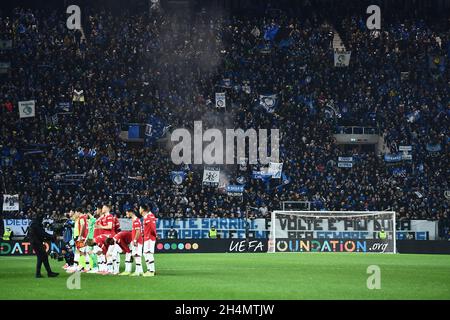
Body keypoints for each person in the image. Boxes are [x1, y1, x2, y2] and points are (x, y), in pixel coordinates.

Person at [28, 214, 59, 278]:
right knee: (41, 257)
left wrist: (50, 238)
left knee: (43, 257)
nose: (42, 220)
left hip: (36, 242)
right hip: (36, 243)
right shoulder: (36, 225)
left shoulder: (34, 224)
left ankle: (48, 273)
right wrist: (51, 236)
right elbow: (42, 234)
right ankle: (39, 273)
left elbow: (40, 235)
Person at [141, 204, 157, 277]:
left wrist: (155, 235)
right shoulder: (146, 217)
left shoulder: (150, 216)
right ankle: (149, 269)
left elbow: (153, 228)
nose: (139, 210)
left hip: (150, 238)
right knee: (145, 253)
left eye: (140, 208)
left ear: (143, 209)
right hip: (146, 238)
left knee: (149, 253)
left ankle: (152, 271)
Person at [128, 209, 144, 276]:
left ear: (131, 213)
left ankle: (137, 272)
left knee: (137, 256)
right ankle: (140, 271)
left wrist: (135, 240)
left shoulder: (136, 221)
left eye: (127, 213)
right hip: (137, 241)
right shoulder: (135, 220)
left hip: (137, 241)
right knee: (136, 256)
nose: (127, 215)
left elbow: (138, 232)